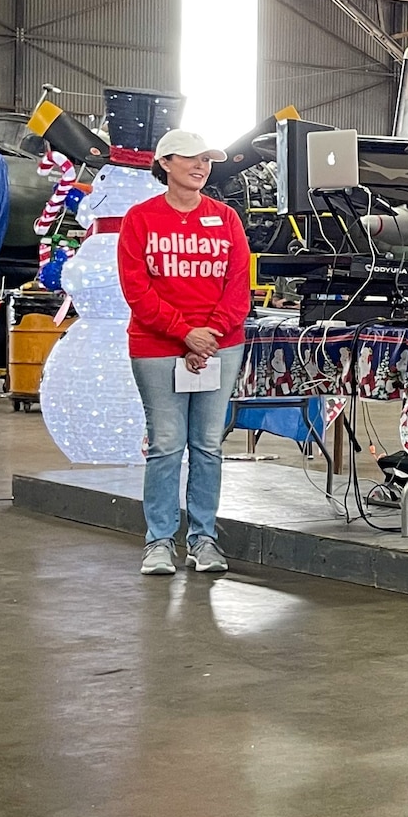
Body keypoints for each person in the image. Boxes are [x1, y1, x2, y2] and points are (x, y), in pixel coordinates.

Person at [119, 128, 254, 576]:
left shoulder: (227, 219)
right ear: (165, 164)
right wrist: (184, 333)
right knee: (165, 445)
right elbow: (136, 289)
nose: (201, 166)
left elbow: (239, 287)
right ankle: (158, 542)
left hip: (220, 345)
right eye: (190, 158)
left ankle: (203, 539)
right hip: (157, 346)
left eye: (207, 160)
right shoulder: (140, 219)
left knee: (208, 446)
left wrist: (209, 334)